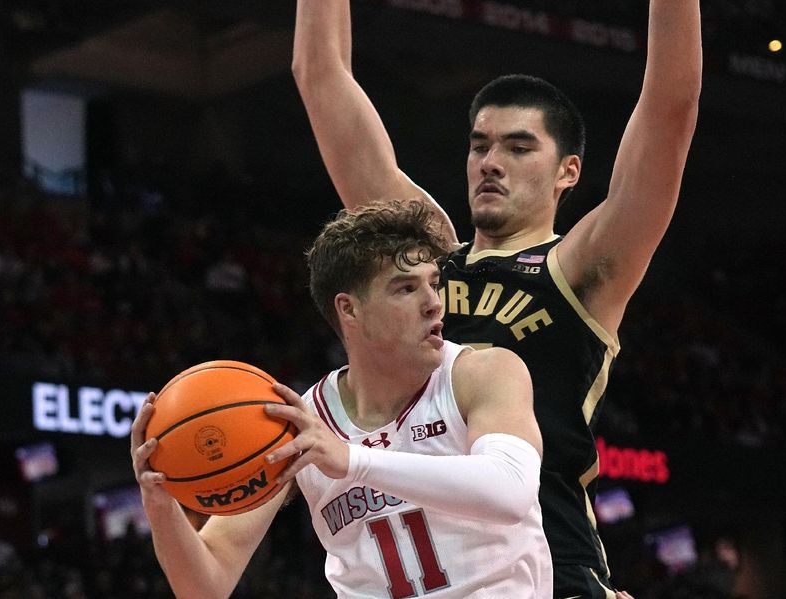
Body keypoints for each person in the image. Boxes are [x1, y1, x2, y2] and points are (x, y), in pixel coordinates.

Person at [291, 1, 702, 596]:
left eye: (517, 147)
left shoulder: (579, 267)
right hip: (434, 570)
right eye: (479, 145)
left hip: (549, 564)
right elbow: (319, 73)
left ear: (567, 171)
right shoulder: (421, 256)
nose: (490, 163)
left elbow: (671, 105)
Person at [131, 200, 554, 598]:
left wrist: (353, 460)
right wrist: (161, 505)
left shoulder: (482, 373)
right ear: (349, 310)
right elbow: (205, 585)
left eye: (434, 284)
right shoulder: (296, 424)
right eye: (405, 289)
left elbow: (511, 491)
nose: (433, 304)